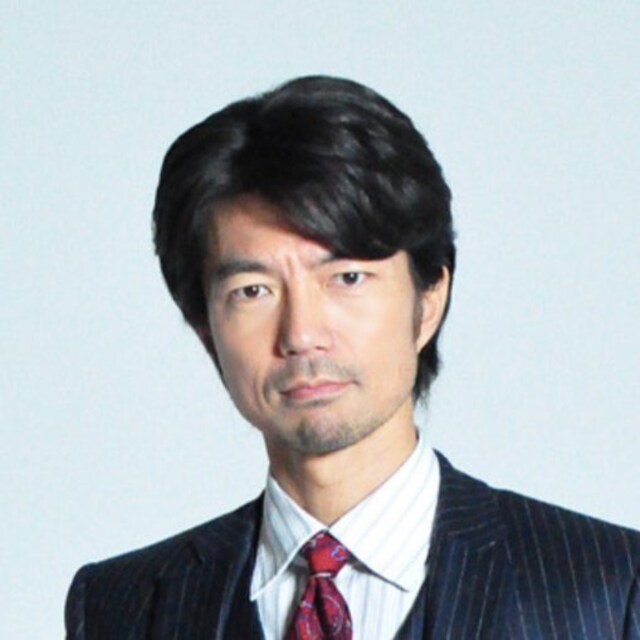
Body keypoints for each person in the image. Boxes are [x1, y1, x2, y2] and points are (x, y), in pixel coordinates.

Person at [65, 76, 640, 639]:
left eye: (346, 277)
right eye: (253, 290)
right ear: (205, 329)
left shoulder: (606, 590)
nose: (302, 334)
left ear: (429, 299)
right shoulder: (123, 608)